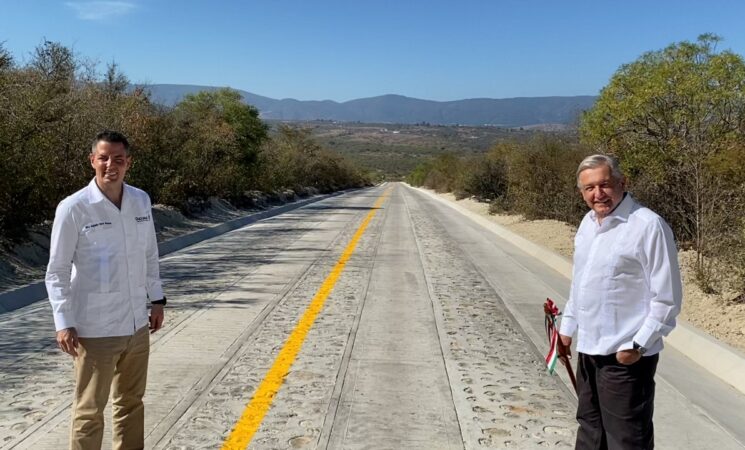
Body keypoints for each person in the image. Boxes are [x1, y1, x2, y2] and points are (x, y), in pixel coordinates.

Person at [46, 130, 166, 450]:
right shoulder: (74, 208)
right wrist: (63, 322)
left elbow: (149, 254)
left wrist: (157, 300)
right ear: (92, 161)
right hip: (95, 328)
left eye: (118, 158)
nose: (110, 164)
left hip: (136, 324)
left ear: (129, 163)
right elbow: (56, 271)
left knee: (131, 403)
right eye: (103, 158)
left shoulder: (140, 200)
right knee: (89, 411)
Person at [558, 154, 682, 450]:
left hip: (625, 356)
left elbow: (667, 298)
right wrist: (567, 329)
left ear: (622, 183)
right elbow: (582, 284)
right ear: (581, 192)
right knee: (590, 430)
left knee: (627, 439)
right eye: (589, 188)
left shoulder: (648, 226)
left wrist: (637, 346)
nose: (598, 194)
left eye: (605, 185)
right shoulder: (587, 224)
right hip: (589, 350)